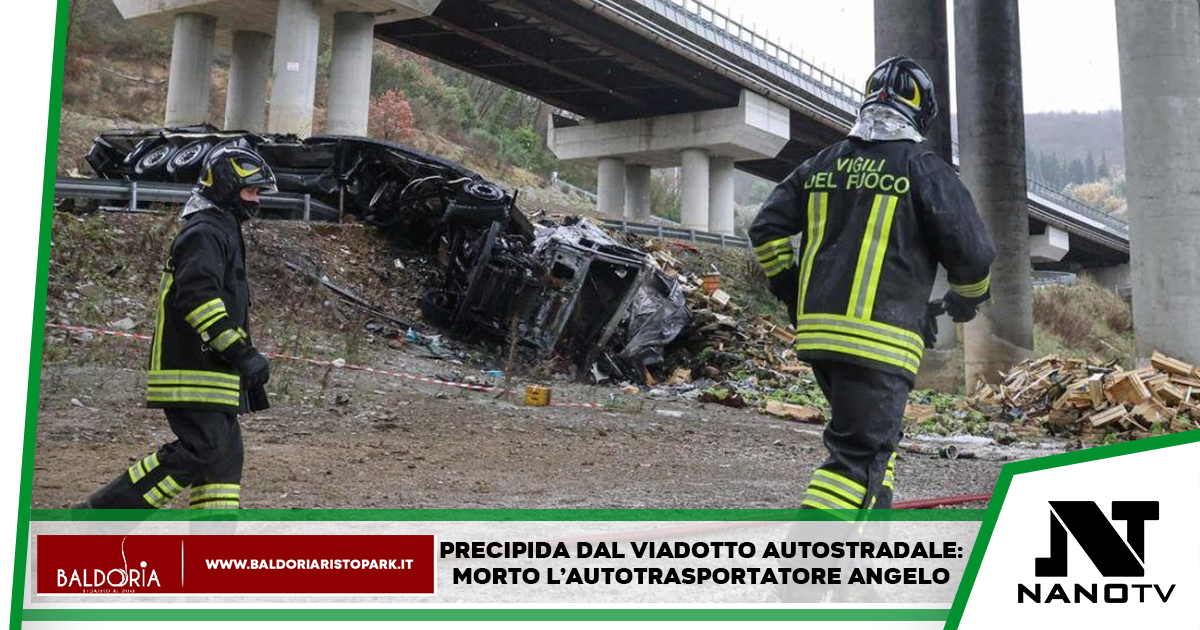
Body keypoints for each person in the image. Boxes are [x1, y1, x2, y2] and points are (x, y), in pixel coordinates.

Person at [749, 56, 995, 512]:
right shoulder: (924, 168)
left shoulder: (820, 164)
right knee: (856, 462)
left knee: (879, 446)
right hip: (879, 345)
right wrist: (967, 298)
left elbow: (766, 227)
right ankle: (799, 582)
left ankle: (859, 581)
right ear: (921, 112)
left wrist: (792, 287)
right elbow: (974, 254)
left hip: (821, 337)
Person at [76, 146, 275, 510]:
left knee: (223, 458)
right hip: (192, 369)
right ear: (228, 188)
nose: (256, 200)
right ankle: (97, 518)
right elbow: (198, 297)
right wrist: (240, 352)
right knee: (202, 448)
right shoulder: (205, 232)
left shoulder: (222, 228)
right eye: (251, 191)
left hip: (212, 372)